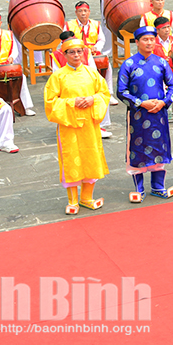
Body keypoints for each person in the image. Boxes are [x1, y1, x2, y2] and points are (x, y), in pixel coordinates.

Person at [43, 37, 110, 215]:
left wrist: (92, 99)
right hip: (69, 125)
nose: (76, 55)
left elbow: (104, 93)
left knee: (90, 158)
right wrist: (72, 102)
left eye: (79, 51)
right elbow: (50, 102)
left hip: (89, 123)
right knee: (71, 159)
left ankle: (87, 198)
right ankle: (72, 201)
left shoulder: (91, 73)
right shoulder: (58, 76)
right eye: (71, 52)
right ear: (64, 55)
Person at [116, 25, 173, 202]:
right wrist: (141, 103)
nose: (149, 42)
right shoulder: (128, 64)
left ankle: (158, 187)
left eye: (152, 39)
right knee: (137, 149)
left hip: (159, 114)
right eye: (145, 39)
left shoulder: (161, 62)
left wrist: (164, 102)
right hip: (138, 116)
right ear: (137, 42)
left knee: (159, 146)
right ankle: (139, 188)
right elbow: (121, 91)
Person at [0, 11, 36, 116]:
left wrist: (11, 57)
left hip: (7, 66)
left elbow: (15, 50)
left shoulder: (9, 34)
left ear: (1, 22)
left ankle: (25, 107)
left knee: (21, 78)